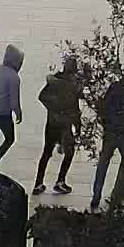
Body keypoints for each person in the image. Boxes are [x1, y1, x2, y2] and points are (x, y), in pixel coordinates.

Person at [89, 61, 124, 210]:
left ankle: (96, 195)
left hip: (110, 132)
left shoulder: (114, 87)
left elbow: (103, 106)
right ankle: (118, 193)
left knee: (103, 163)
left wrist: (106, 124)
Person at [33, 55, 82, 196]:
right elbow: (75, 109)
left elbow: (41, 97)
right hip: (65, 125)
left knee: (46, 152)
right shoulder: (73, 86)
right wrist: (78, 128)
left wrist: (52, 108)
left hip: (52, 122)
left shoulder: (54, 81)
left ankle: (38, 183)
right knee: (69, 152)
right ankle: (60, 181)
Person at [0, 44, 25, 172]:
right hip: (3, 114)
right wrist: (18, 113)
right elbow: (14, 100)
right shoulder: (14, 77)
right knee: (10, 139)